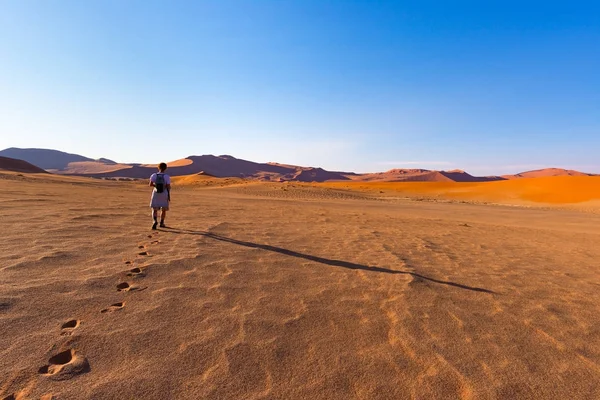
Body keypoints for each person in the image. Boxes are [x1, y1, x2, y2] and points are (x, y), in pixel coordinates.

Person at [149, 162, 171, 229]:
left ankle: (154, 221)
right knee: (163, 209)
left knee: (154, 209)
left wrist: (156, 186)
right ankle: (162, 222)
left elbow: (150, 184)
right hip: (164, 193)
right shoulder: (166, 176)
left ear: (158, 167)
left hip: (156, 193)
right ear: (165, 168)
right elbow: (168, 186)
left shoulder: (154, 175)